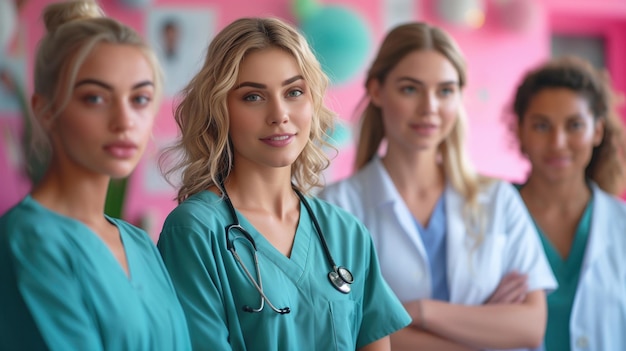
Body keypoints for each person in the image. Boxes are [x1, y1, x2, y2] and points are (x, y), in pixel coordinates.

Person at [157, 17, 411, 351]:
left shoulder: (346, 234)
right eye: (253, 97)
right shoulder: (195, 232)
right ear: (220, 109)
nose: (279, 114)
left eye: (293, 92)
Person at [319, 22, 557, 351]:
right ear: (376, 90)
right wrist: (482, 328)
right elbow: (345, 326)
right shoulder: (337, 207)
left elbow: (530, 327)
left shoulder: (498, 199)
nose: (430, 107)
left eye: (445, 91)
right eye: (410, 89)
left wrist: (417, 312)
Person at [0, 1, 191, 350]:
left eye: (140, 99)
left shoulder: (141, 244)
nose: (124, 121)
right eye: (95, 98)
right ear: (45, 110)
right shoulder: (27, 240)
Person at [510, 56, 626, 351]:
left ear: (597, 131)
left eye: (574, 125)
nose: (558, 142)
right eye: (541, 126)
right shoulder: (489, 217)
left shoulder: (620, 224)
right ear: (520, 131)